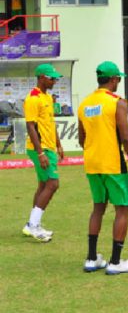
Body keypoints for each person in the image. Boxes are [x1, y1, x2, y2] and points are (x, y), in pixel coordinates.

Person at [78, 61, 128, 274]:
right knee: (122, 209)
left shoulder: (85, 104)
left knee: (98, 207)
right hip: (113, 164)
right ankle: (116, 262)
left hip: (92, 163)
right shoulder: (117, 102)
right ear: (114, 79)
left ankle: (91, 258)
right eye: (119, 79)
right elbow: (126, 137)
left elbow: (81, 138)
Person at [21, 64, 64, 242]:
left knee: (43, 185)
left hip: (49, 147)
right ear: (41, 77)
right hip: (40, 148)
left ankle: (32, 224)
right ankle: (33, 225)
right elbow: (30, 126)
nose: (54, 80)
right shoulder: (32, 98)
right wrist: (40, 153)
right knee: (53, 184)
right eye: (51, 77)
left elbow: (50, 124)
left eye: (55, 78)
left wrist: (59, 145)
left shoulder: (47, 97)